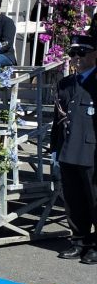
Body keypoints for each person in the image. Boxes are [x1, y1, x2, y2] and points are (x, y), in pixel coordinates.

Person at [50, 35, 97, 264]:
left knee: (95, 200)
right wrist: (54, 150)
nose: (76, 58)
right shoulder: (66, 83)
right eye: (73, 53)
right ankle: (79, 241)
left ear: (95, 55)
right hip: (68, 149)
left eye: (82, 53)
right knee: (73, 200)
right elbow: (57, 120)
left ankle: (95, 246)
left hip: (91, 151)